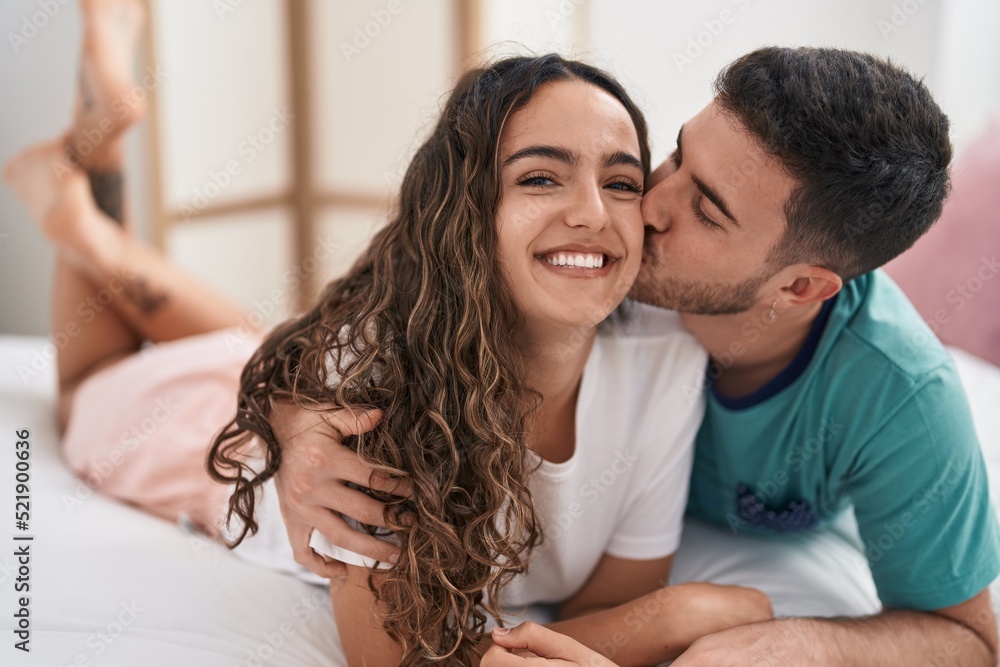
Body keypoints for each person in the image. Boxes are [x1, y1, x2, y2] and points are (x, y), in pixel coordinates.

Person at [3, 4, 773, 665]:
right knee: (84, 390)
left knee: (258, 343)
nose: (594, 215)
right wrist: (679, 616)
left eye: (621, 180)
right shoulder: (376, 397)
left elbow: (594, 614)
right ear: (471, 213)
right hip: (206, 436)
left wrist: (631, 624)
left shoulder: (669, 360)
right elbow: (395, 653)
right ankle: (86, 191)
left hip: (293, 363)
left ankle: (89, 202)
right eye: (541, 177)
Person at [277, 47, 1000, 666]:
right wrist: (290, 419)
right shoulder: (590, 273)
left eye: (707, 209)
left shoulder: (895, 394)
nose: (647, 204)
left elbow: (971, 638)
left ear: (800, 286)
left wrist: (785, 643)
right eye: (678, 155)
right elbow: (378, 307)